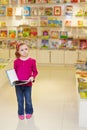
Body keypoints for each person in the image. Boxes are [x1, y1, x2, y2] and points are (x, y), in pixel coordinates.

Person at [14, 43, 38, 120]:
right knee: (20, 99)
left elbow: (35, 72)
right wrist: (12, 79)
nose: (24, 51)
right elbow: (14, 72)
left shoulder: (32, 61)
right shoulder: (16, 61)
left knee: (28, 99)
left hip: (28, 84)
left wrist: (32, 77)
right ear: (18, 52)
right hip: (18, 85)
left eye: (26, 49)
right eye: (22, 50)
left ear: (28, 49)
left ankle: (29, 111)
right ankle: (20, 112)